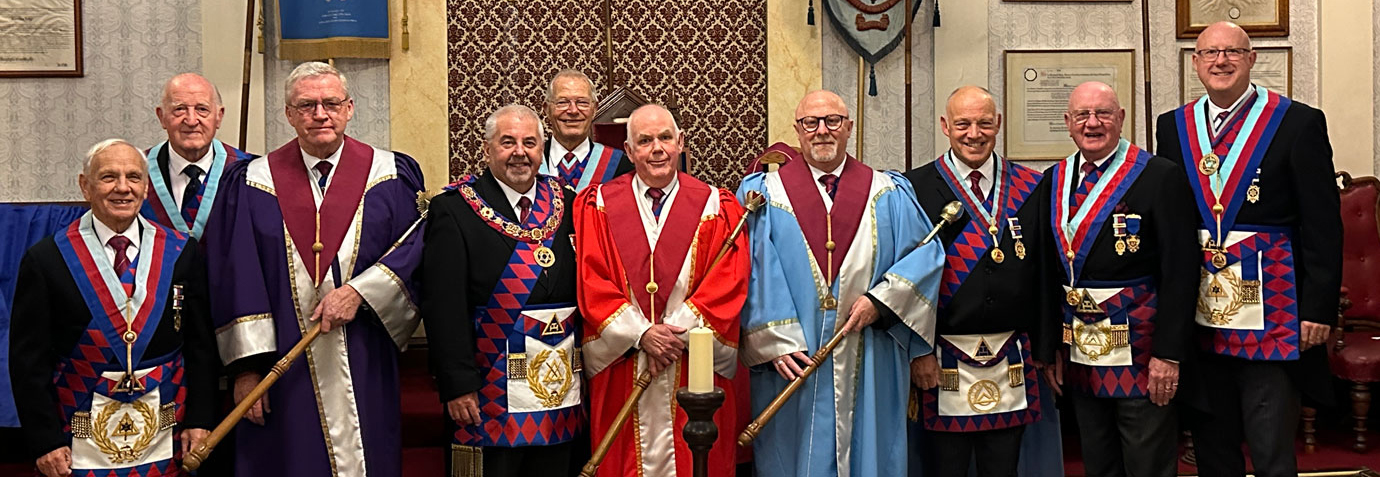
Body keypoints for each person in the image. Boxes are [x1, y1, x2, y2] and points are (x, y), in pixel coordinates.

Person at [203, 61, 425, 477]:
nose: (320, 114)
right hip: (281, 365)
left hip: (364, 354)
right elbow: (237, 277)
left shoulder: (390, 175)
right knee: (289, 457)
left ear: (349, 108)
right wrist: (248, 370)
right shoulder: (252, 182)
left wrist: (361, 292)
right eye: (306, 105)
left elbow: (414, 252)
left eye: (330, 103)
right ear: (288, 114)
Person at [1155, 21, 1341, 477]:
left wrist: (1317, 308)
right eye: (1210, 53)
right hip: (1201, 311)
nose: (1221, 61)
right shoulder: (1173, 127)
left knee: (1270, 444)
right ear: (1195, 63)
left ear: (1252, 58)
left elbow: (1322, 225)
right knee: (1211, 443)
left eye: (1232, 52)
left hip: (1274, 313)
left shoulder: (1298, 122)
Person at [738, 89, 945, 477]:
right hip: (792, 360)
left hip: (871, 350)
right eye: (811, 123)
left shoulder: (888, 191)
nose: (822, 131)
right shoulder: (762, 195)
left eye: (833, 121)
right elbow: (752, 269)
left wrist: (881, 303)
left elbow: (925, 258)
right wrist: (775, 341)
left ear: (849, 127)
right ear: (797, 130)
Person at [10, 139, 216, 476]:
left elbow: (200, 346)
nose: (123, 188)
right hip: (76, 431)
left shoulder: (181, 252)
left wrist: (199, 419)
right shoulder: (46, 259)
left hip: (166, 428)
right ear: (85, 186)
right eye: (108, 177)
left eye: (133, 177)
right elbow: (28, 362)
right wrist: (44, 440)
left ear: (146, 188)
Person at [574, 104, 749, 476]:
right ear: (628, 150)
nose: (657, 148)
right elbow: (592, 279)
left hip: (692, 365)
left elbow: (728, 281)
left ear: (681, 143)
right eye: (645, 140)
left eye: (666, 138)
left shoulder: (718, 206)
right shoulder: (598, 206)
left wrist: (670, 337)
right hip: (625, 365)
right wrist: (641, 334)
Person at [1039, 82, 1199, 477]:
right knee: (1098, 460)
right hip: (1080, 349)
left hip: (1142, 352)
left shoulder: (1159, 175)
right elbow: (1044, 270)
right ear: (1068, 123)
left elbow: (1181, 271)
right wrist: (1050, 347)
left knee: (1147, 463)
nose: (1092, 124)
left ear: (1121, 118)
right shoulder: (1053, 180)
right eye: (1082, 115)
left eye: (1103, 114)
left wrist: (1169, 353)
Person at [421, 104, 584, 476]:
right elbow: (443, 306)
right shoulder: (454, 209)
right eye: (507, 142)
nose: (520, 152)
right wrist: (458, 383)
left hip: (557, 387)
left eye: (530, 143)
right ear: (487, 149)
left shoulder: (570, 203)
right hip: (489, 388)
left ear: (542, 150)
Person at [903, 86, 1048, 477]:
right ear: (945, 127)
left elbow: (1044, 276)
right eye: (963, 124)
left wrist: (1045, 347)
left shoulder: (1032, 187)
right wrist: (919, 352)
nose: (974, 133)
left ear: (997, 124)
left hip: (1012, 357)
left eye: (984, 123)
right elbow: (905, 283)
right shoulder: (913, 188)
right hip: (941, 359)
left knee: (1004, 469)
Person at [142, 73, 255, 238]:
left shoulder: (250, 171)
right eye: (179, 109)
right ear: (162, 117)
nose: (191, 120)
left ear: (219, 116)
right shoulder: (136, 171)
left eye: (202, 109)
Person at [541, 69, 633, 191]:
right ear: (547, 109)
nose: (573, 111)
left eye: (582, 102)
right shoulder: (529, 163)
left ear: (594, 109)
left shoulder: (620, 165)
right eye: (562, 102)